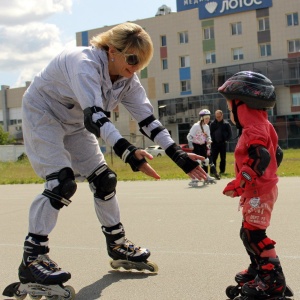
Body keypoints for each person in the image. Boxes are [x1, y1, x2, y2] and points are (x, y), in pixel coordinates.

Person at [16, 22, 207, 294]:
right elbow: (95, 117)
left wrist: (178, 155)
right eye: (132, 58)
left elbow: (148, 121)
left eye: (142, 61)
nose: (136, 66)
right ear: (110, 50)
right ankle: (32, 258)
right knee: (61, 183)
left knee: (104, 179)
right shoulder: (84, 63)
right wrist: (128, 152)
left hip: (74, 122)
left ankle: (117, 244)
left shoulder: (128, 78)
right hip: (43, 113)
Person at [219, 71, 290, 299]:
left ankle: (272, 280)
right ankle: (260, 270)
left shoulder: (253, 130)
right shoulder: (263, 125)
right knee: (248, 232)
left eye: (231, 106)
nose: (229, 111)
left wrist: (241, 183)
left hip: (258, 191)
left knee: (254, 235)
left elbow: (261, 158)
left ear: (244, 106)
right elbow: (276, 154)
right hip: (261, 190)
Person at [187, 109, 216, 186]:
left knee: (206, 161)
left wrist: (209, 140)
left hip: (203, 145)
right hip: (196, 145)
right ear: (202, 118)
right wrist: (190, 144)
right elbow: (190, 135)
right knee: (197, 162)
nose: (208, 120)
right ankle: (194, 178)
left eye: (209, 118)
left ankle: (206, 175)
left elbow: (208, 136)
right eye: (206, 118)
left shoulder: (207, 127)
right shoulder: (196, 126)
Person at [210, 109, 232, 178]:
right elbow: (210, 133)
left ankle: (222, 171)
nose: (218, 118)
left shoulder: (226, 124)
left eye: (219, 117)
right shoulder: (212, 124)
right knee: (213, 158)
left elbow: (230, 134)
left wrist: (226, 140)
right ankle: (213, 171)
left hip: (223, 143)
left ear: (222, 115)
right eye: (217, 117)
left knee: (223, 158)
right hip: (214, 144)